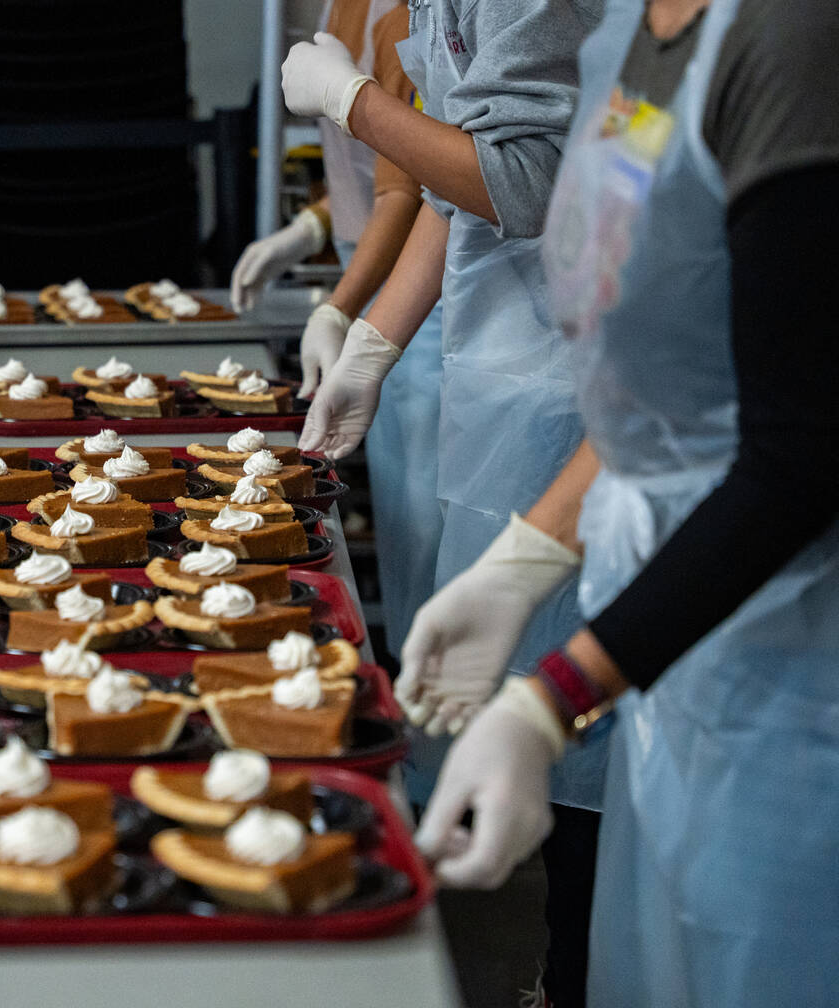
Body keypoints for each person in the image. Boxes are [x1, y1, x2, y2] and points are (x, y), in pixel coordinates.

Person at [412, 0, 839, 1001]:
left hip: (791, 651)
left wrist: (558, 696)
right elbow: (660, 377)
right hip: (671, 637)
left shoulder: (789, 42)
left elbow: (801, 454)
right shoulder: (630, 45)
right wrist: (528, 561)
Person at [283, 3, 606, 1004]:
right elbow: (455, 185)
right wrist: (372, 335)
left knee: (617, 803)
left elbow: (521, 181)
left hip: (583, 385)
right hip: (547, 382)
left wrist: (353, 101)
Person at [231, 0, 444, 659]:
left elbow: (410, 189)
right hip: (376, 269)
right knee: (409, 529)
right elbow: (370, 165)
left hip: (419, 294)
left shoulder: (411, 16)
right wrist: (311, 229)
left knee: (437, 536)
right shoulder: (347, 7)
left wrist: (342, 308)